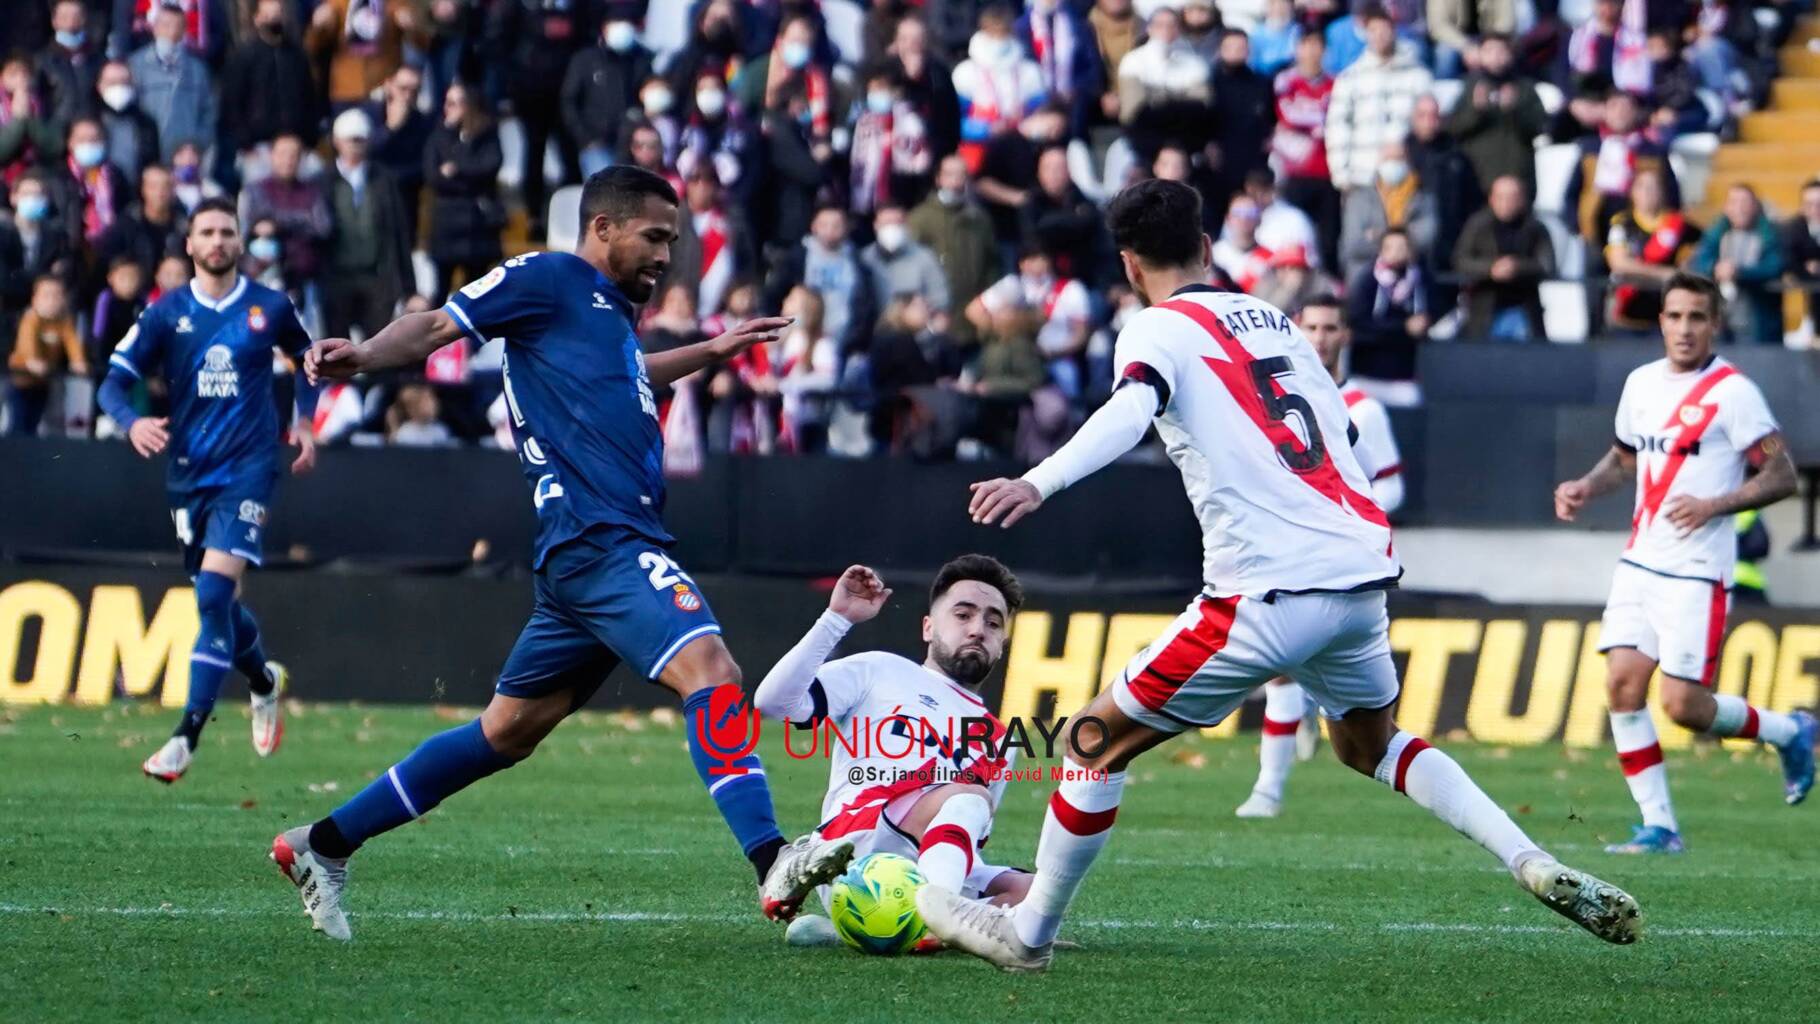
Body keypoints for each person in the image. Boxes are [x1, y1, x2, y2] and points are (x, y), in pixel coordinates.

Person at [918, 178, 1641, 971]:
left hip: (1262, 590)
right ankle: (1527, 857)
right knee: (1370, 744)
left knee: (1091, 741)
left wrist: (1038, 481)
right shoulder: (1274, 320)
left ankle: (1027, 936)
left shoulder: (1155, 329)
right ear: (1204, 248)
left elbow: (1131, 410)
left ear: (1129, 265)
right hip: (1360, 577)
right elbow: (1334, 435)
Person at [274, 166, 821, 942]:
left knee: (506, 733)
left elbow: (632, 374)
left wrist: (712, 348)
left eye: (673, 239)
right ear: (602, 228)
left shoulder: (603, 319)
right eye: (654, 236)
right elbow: (436, 327)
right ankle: (775, 866)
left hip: (582, 555)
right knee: (715, 672)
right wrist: (362, 356)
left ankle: (320, 844)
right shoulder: (549, 276)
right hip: (603, 540)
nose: (667, 254)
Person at [1553, 272, 1813, 855]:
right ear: (1661, 321)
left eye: (1697, 317)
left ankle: (1788, 731)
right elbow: (1623, 457)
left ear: (1714, 323)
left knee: (1684, 707)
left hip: (1698, 571)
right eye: (1675, 316)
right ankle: (1660, 827)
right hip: (1641, 563)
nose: (1685, 328)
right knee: (1621, 686)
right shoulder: (1641, 383)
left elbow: (1782, 474)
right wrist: (1585, 487)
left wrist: (1714, 504)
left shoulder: (1733, 393)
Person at [96, 198, 318, 781]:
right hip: (189, 474)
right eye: (207, 233)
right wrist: (132, 421)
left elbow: (308, 359)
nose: (217, 240)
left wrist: (304, 422)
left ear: (240, 243)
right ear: (190, 245)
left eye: (227, 231)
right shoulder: (166, 313)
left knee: (215, 596)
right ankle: (264, 681)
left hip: (250, 468)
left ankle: (185, 737)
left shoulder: (268, 306)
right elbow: (112, 384)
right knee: (217, 604)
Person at [754, 560, 1038, 947]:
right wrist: (836, 619)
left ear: (1003, 643)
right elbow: (773, 702)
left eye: (993, 622)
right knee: (969, 796)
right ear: (928, 627)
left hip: (922, 866)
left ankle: (871, 931)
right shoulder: (881, 670)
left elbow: (963, 840)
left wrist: (1022, 903)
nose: (977, 629)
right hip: (852, 852)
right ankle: (939, 921)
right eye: (963, 614)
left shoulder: (1000, 740)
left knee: (1039, 893)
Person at [1235, 294, 1403, 819]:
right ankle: (1268, 789)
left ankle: (1305, 737)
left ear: (1344, 335)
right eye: (1311, 327)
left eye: (1331, 327)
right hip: (1291, 553)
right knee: (1281, 670)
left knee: (1355, 704)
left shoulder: (1364, 409)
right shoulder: (1270, 402)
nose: (1321, 337)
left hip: (1350, 561)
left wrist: (1348, 509)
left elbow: (1391, 487)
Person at [1324, 5, 1430, 194]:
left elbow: (1428, 125)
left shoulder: (1418, 76)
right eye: (1373, 30)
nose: (1379, 35)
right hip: (1362, 179)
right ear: (1366, 34)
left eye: (1384, 29)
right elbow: (1337, 127)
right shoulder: (1350, 78)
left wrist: (1408, 150)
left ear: (1394, 30)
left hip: (1409, 179)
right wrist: (1341, 175)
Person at [423, 81, 504, 304]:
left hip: (476, 226)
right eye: (447, 103)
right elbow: (433, 177)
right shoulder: (439, 136)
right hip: (447, 224)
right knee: (441, 290)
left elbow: (489, 166)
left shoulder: (487, 134)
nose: (449, 108)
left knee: (476, 294)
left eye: (456, 103)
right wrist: (466, 176)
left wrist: (456, 170)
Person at [1454, 175, 1554, 341]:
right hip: (1485, 309)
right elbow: (1460, 259)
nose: (1506, 203)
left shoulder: (1535, 228)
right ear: (1491, 199)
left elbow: (1547, 264)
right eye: (1501, 197)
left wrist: (1517, 267)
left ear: (1522, 200)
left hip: (1523, 309)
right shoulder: (1478, 226)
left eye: (1512, 197)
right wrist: (1490, 269)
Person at [1604, 169, 1697, 335]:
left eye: (1653, 187)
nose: (1647, 193)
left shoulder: (1680, 226)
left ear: (1662, 192)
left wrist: (1639, 271)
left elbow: (1686, 269)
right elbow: (1620, 264)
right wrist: (1664, 274)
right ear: (1633, 192)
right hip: (1627, 313)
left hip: (1667, 315)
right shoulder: (1622, 224)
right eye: (1642, 187)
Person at [1690, 185, 1786, 345]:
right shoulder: (1716, 233)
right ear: (1726, 207)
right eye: (1734, 202)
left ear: (1755, 206)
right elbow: (1699, 262)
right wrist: (1715, 268)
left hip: (1757, 322)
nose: (1739, 208)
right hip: (1720, 321)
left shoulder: (1769, 233)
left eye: (1745, 202)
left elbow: (1775, 266)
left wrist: (1739, 273)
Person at [563, 13, 655, 178]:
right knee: (605, 191)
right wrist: (585, 139)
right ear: (605, 27)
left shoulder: (641, 59)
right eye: (617, 21)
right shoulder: (586, 60)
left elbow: (649, 94)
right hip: (596, 144)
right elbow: (569, 101)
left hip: (633, 145)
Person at [127, 2, 217, 165]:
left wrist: (198, 145)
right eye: (165, 25)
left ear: (184, 30)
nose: (172, 32)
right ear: (154, 28)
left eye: (178, 26)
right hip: (148, 154)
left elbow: (208, 113)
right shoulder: (135, 65)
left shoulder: (197, 70)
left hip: (184, 156)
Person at [8, 274, 84, 435]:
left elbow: (72, 343)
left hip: (43, 382)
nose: (51, 301)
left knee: (36, 421)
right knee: (18, 422)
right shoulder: (31, 319)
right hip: (20, 381)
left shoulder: (64, 322)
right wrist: (32, 360)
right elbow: (26, 340)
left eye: (57, 296)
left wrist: (78, 361)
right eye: (46, 296)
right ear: (35, 299)